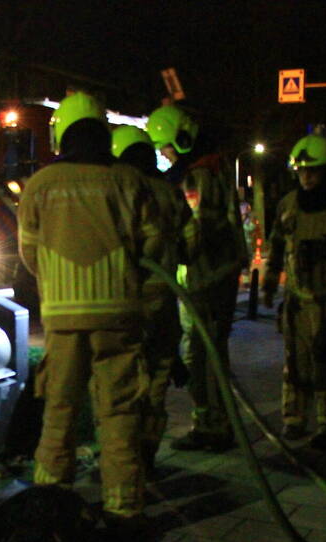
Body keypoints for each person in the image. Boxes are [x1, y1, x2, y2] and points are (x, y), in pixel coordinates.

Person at [18, 93, 163, 527]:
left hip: (63, 318)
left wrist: (59, 280)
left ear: (61, 134)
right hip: (118, 315)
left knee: (59, 408)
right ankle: (123, 506)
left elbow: (29, 253)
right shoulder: (128, 180)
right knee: (119, 412)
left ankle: (51, 497)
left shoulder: (41, 184)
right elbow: (154, 244)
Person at [147, 104, 247, 452]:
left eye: (166, 147)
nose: (164, 155)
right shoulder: (210, 169)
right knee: (202, 353)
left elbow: (195, 231)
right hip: (211, 276)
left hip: (207, 278)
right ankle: (209, 422)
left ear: (182, 140)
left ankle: (214, 426)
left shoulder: (196, 178)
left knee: (203, 355)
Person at [262, 134, 326, 452]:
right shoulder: (288, 205)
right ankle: (294, 418)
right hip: (298, 300)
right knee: (296, 363)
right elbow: (277, 245)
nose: (306, 177)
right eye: (301, 171)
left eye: (313, 170)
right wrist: (270, 282)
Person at [111, 124, 190, 473]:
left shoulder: (121, 189)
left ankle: (124, 461)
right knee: (157, 381)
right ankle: (147, 454)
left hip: (130, 302)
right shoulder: (170, 191)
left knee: (125, 385)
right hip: (165, 304)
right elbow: (189, 241)